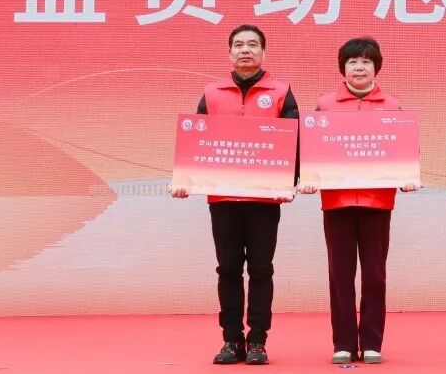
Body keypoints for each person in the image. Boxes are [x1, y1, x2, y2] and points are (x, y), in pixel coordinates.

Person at [169, 24, 299, 365]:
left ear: (263, 52)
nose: (246, 50)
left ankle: (257, 341)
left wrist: (291, 182)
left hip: (264, 200)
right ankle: (231, 339)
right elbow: (196, 142)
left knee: (261, 270)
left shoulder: (281, 92)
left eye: (253, 44)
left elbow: (294, 140)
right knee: (227, 268)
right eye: (239, 44)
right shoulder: (212, 93)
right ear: (229, 53)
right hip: (223, 199)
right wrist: (185, 179)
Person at [299, 37, 417, 365]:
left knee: (375, 274)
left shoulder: (393, 106)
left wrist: (408, 176)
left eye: (366, 61)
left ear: (376, 67)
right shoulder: (325, 106)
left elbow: (408, 150)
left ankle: (372, 342)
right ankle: (344, 343)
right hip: (336, 202)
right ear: (343, 68)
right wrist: (308, 177)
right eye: (352, 62)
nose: (359, 67)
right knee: (340, 274)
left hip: (377, 202)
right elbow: (310, 150)